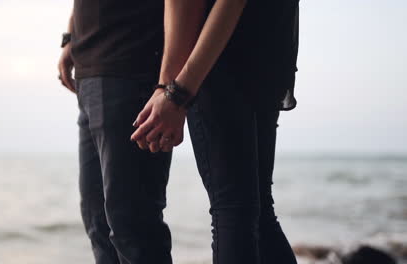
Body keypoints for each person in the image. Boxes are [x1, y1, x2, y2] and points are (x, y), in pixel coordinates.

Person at [131, 0, 300, 263]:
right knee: (256, 212)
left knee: (234, 209)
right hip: (268, 48)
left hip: (216, 58)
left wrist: (174, 90)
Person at [57, 1, 173, 264]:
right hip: (88, 72)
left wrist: (168, 85)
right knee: (97, 220)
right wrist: (70, 37)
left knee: (132, 224)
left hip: (131, 65)